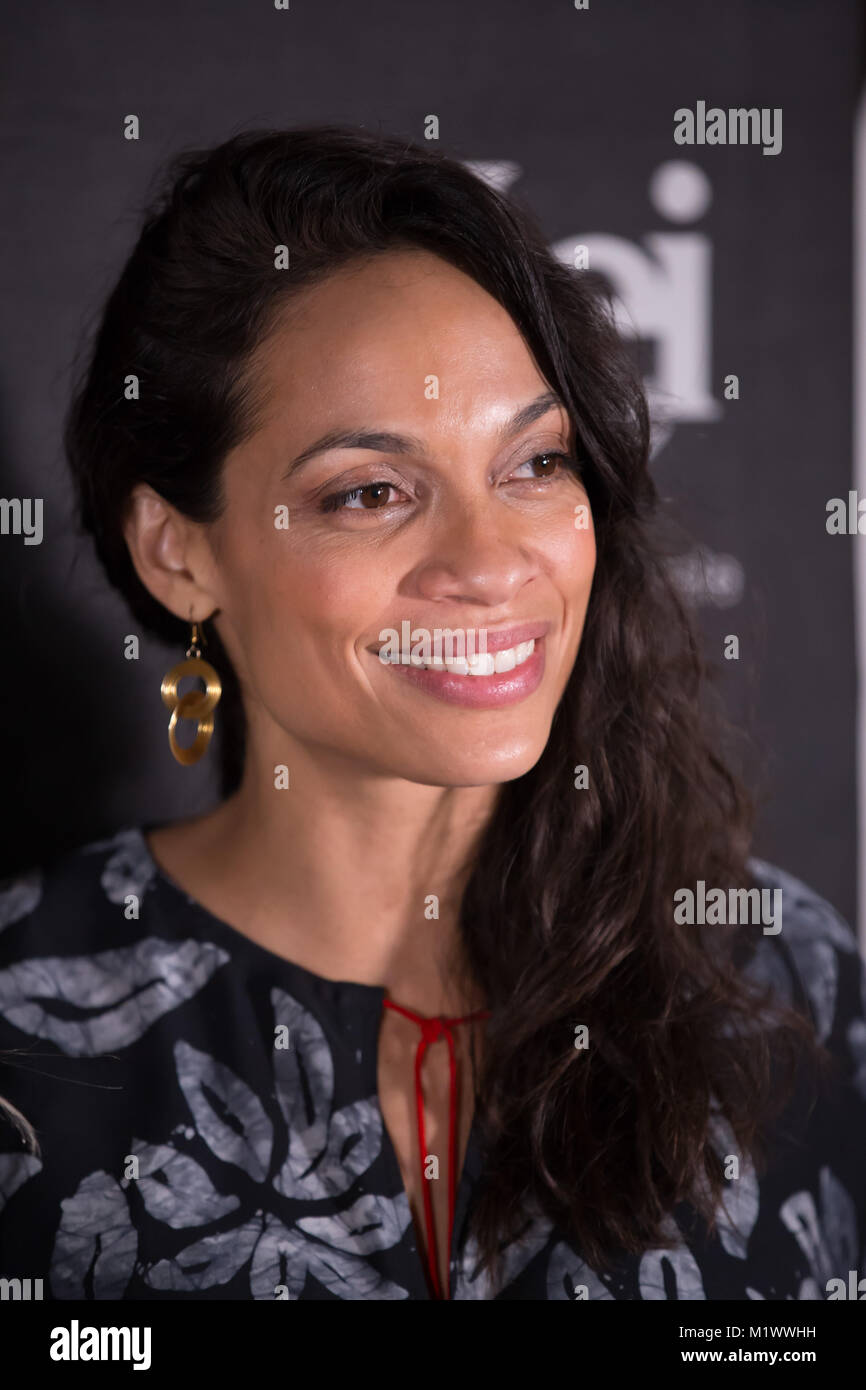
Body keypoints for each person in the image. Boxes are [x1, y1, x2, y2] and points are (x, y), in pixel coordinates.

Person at [0, 125, 864, 1302]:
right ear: (177, 551)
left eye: (533, 465)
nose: (490, 559)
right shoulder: (21, 1014)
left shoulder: (783, 978)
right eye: (370, 491)